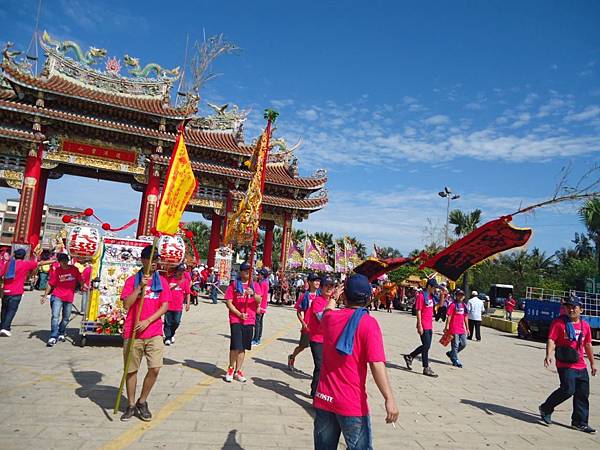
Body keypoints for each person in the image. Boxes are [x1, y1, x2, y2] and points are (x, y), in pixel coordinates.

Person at [313, 274, 399, 449]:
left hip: (324, 397)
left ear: (344, 295)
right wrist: (389, 398)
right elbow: (376, 364)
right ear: (368, 297)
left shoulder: (329, 319)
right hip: (351, 403)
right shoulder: (368, 323)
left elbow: (327, 311)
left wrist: (333, 297)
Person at [119, 245, 170, 422]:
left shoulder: (161, 282)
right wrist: (139, 288)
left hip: (154, 331)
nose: (155, 263)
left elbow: (164, 306)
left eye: (157, 259)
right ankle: (131, 404)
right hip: (133, 332)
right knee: (131, 370)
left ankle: (143, 400)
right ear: (143, 260)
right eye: (152, 259)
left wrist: (148, 321)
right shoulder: (132, 281)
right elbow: (126, 304)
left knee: (155, 368)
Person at [539, 297, 597, 433]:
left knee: (582, 394)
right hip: (565, 363)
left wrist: (593, 363)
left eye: (574, 307)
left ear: (581, 309)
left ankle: (579, 422)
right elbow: (552, 339)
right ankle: (546, 408)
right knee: (568, 389)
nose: (570, 309)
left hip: (581, 365)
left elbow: (588, 344)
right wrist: (548, 354)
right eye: (568, 307)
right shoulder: (559, 323)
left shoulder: (585, 325)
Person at [224, 262, 262, 383]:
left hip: (249, 319)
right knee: (236, 345)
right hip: (236, 318)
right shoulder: (234, 285)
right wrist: (239, 314)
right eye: (245, 270)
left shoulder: (254, 285)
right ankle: (230, 368)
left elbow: (259, 299)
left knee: (243, 347)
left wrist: (253, 294)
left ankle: (238, 370)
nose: (248, 272)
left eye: (250, 270)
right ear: (241, 271)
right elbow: (228, 302)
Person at [41, 253, 87, 347]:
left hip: (69, 297)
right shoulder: (57, 271)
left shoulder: (74, 269)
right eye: (62, 261)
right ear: (59, 262)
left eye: (65, 260)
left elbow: (80, 279)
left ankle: (61, 332)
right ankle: (53, 336)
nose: (64, 263)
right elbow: (50, 284)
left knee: (66, 318)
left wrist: (84, 285)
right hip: (57, 296)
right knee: (55, 316)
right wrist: (45, 296)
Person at [0, 247, 45, 336]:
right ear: (24, 256)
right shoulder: (25, 264)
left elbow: (1, 274)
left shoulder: (8, 264)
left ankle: (2, 326)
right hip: (16, 292)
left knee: (4, 309)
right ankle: (5, 328)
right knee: (11, 310)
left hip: (6, 290)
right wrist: (53, 261)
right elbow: (40, 263)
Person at [306, 276, 336, 398]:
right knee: (320, 366)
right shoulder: (318, 301)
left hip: (327, 340)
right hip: (317, 339)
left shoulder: (331, 302)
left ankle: (318, 390)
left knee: (325, 367)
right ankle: (315, 393)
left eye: (331, 286)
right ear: (322, 287)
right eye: (326, 286)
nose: (329, 288)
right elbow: (322, 318)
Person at [403, 278, 439, 377]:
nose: (435, 289)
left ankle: (410, 356)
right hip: (423, 324)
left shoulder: (432, 297)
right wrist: (419, 325)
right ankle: (426, 367)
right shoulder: (422, 296)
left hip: (430, 325)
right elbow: (418, 310)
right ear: (429, 286)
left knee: (426, 346)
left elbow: (439, 305)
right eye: (434, 287)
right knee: (426, 346)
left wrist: (443, 295)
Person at [288, 273, 321, 371]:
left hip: (319, 327)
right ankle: (292, 357)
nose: (317, 283)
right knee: (302, 346)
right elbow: (298, 312)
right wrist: (303, 323)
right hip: (308, 326)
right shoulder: (304, 296)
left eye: (318, 281)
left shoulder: (321, 294)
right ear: (309, 282)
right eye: (315, 281)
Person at [164, 263, 191, 346]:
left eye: (182, 271)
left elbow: (188, 293)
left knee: (176, 322)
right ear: (176, 271)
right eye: (179, 270)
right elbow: (165, 289)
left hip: (178, 306)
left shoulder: (185, 281)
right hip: (168, 304)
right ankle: (168, 337)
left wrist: (188, 303)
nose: (181, 273)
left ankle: (171, 334)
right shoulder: (169, 279)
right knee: (167, 322)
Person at [445, 289, 469, 368]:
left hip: (461, 328)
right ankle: (455, 360)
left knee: (463, 344)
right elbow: (449, 315)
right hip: (454, 328)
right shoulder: (453, 305)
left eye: (462, 295)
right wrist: (447, 326)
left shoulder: (464, 305)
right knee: (455, 345)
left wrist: (467, 328)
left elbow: (465, 317)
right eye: (459, 295)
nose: (460, 297)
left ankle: (451, 353)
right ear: (456, 296)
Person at [252, 268, 270, 346]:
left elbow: (260, 295)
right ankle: (258, 338)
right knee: (260, 322)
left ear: (262, 275)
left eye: (259, 274)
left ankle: (256, 339)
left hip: (260, 305)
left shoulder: (262, 283)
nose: (258, 275)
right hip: (263, 305)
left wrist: (258, 306)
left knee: (257, 323)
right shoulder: (266, 282)